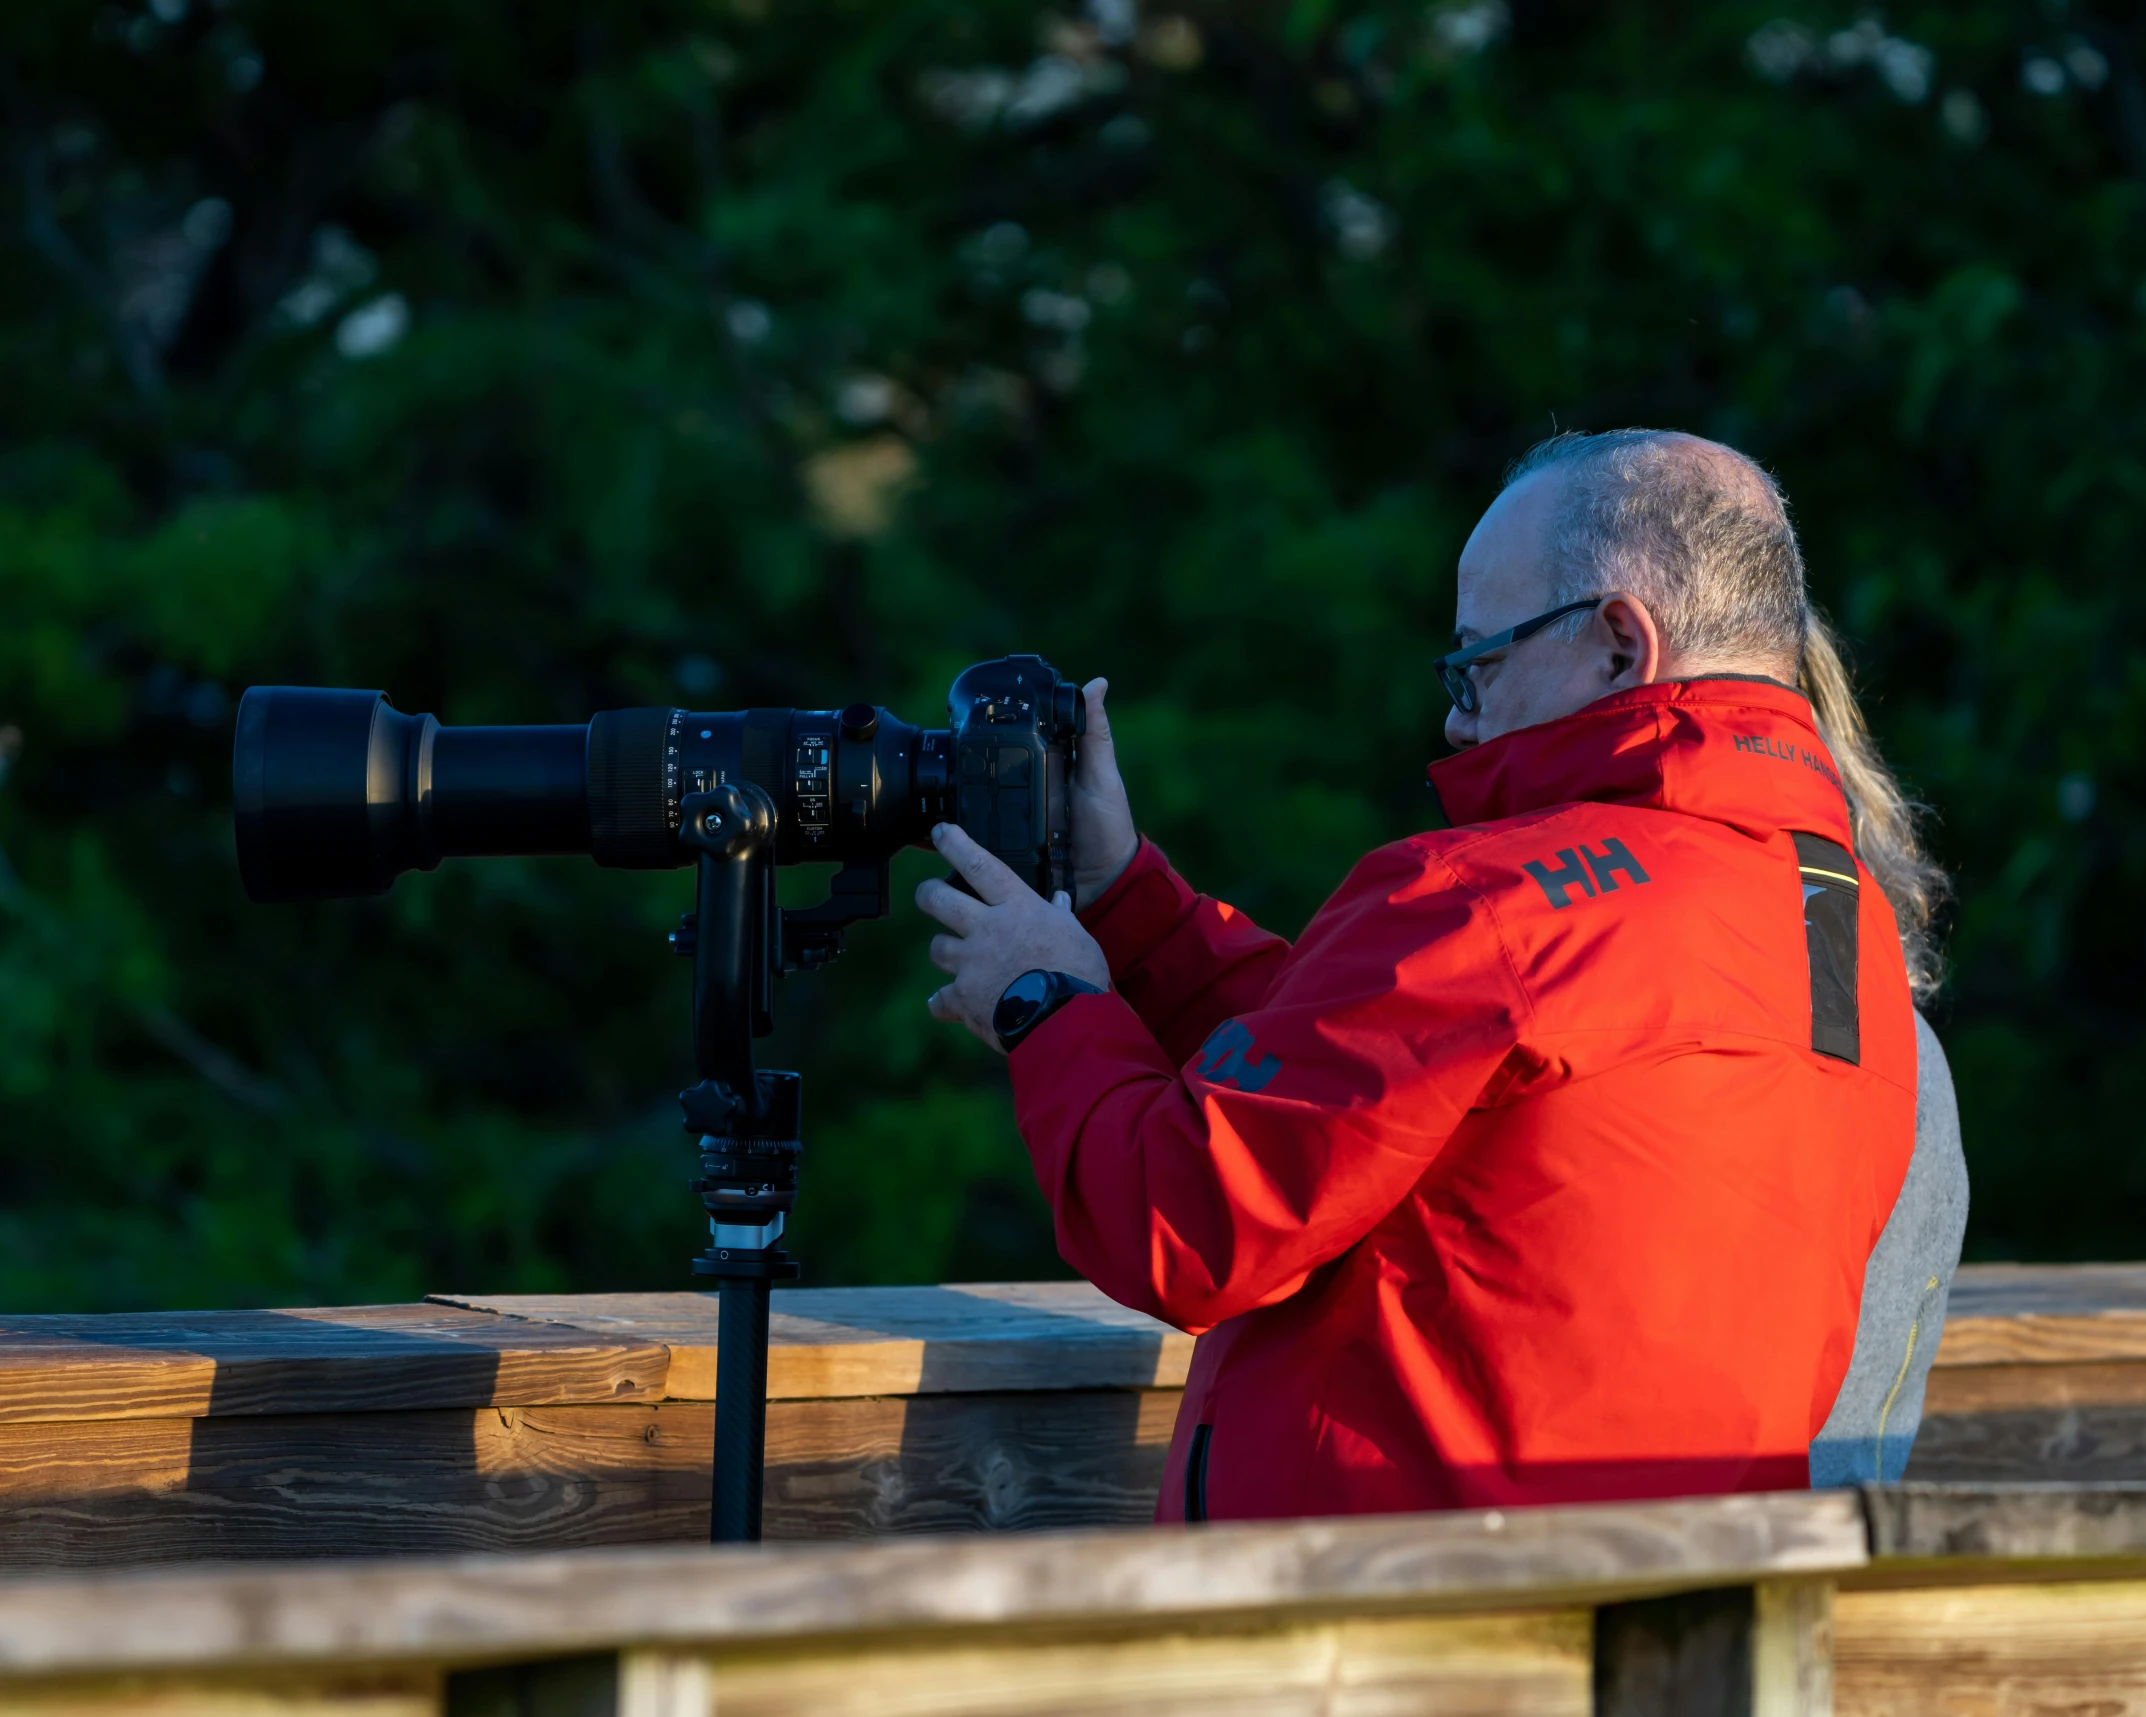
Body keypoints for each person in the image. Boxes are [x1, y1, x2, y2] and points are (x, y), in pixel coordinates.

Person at [916, 429, 1967, 1521]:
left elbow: (1183, 1224)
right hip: (1658, 1633)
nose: (1456, 716)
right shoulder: (1842, 942)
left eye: (1478, 662)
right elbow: (1365, 1091)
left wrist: (1044, 1002)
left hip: (1387, 1628)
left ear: (1619, 644)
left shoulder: (1489, 901)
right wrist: (1127, 903)